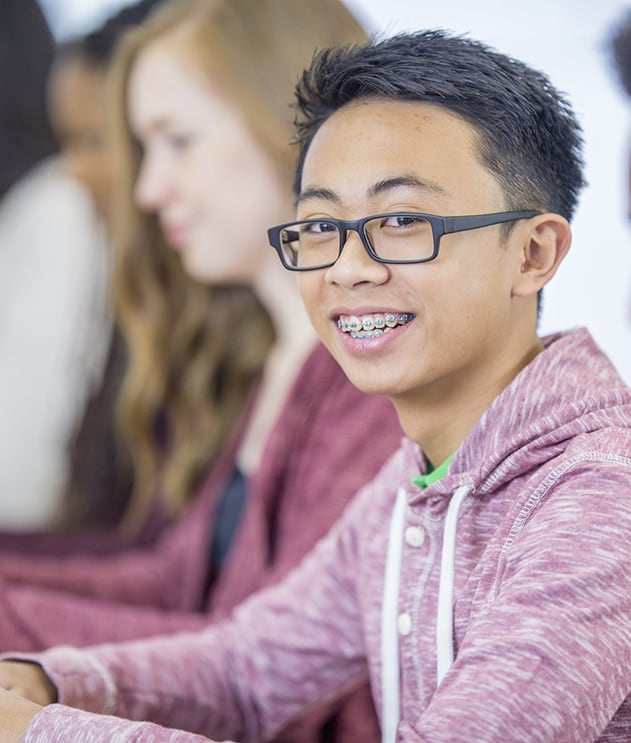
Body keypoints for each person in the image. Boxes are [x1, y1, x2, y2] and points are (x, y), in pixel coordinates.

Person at [0, 26, 630, 743]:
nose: (346, 269)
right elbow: (248, 666)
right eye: (319, 226)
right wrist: (50, 680)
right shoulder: (416, 477)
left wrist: (41, 729)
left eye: (399, 220)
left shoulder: (600, 495)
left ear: (533, 252)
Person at [0, 0, 402, 741]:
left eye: (176, 141)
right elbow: (179, 578)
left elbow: (270, 671)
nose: (147, 191)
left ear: (292, 131)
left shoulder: (371, 385)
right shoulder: (285, 358)